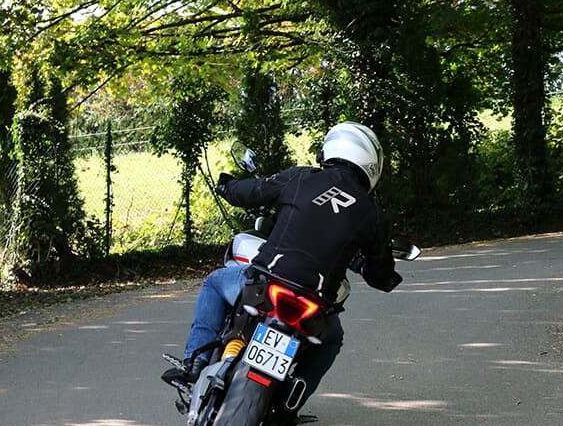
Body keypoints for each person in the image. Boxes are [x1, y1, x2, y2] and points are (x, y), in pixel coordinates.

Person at [162, 122, 402, 403]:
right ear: (372, 166)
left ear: (332, 148)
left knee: (215, 282)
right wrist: (371, 268)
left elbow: (250, 192)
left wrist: (228, 184)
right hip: (315, 303)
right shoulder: (372, 213)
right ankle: (292, 399)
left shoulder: (301, 178)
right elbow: (381, 276)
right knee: (332, 339)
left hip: (266, 283)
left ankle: (196, 362)